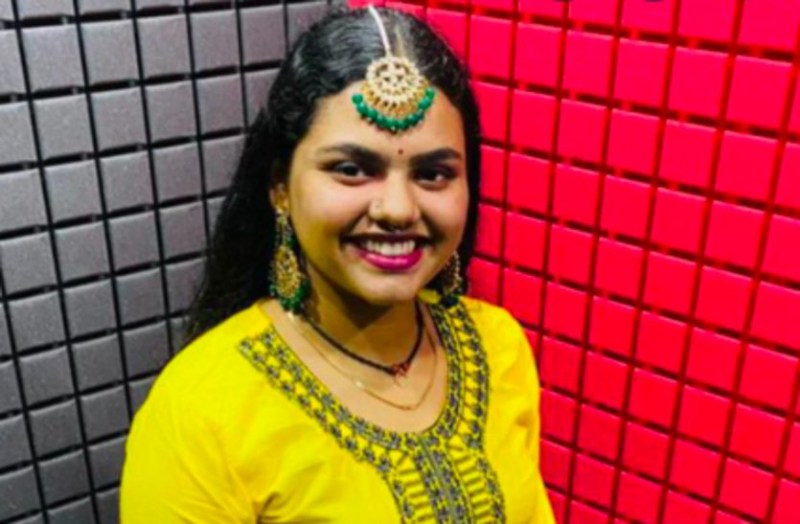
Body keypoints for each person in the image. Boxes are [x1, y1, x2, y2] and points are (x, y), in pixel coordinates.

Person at [120, 5, 554, 523]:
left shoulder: (497, 345)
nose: (398, 209)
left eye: (433, 174)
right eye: (351, 169)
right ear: (279, 186)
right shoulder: (200, 411)